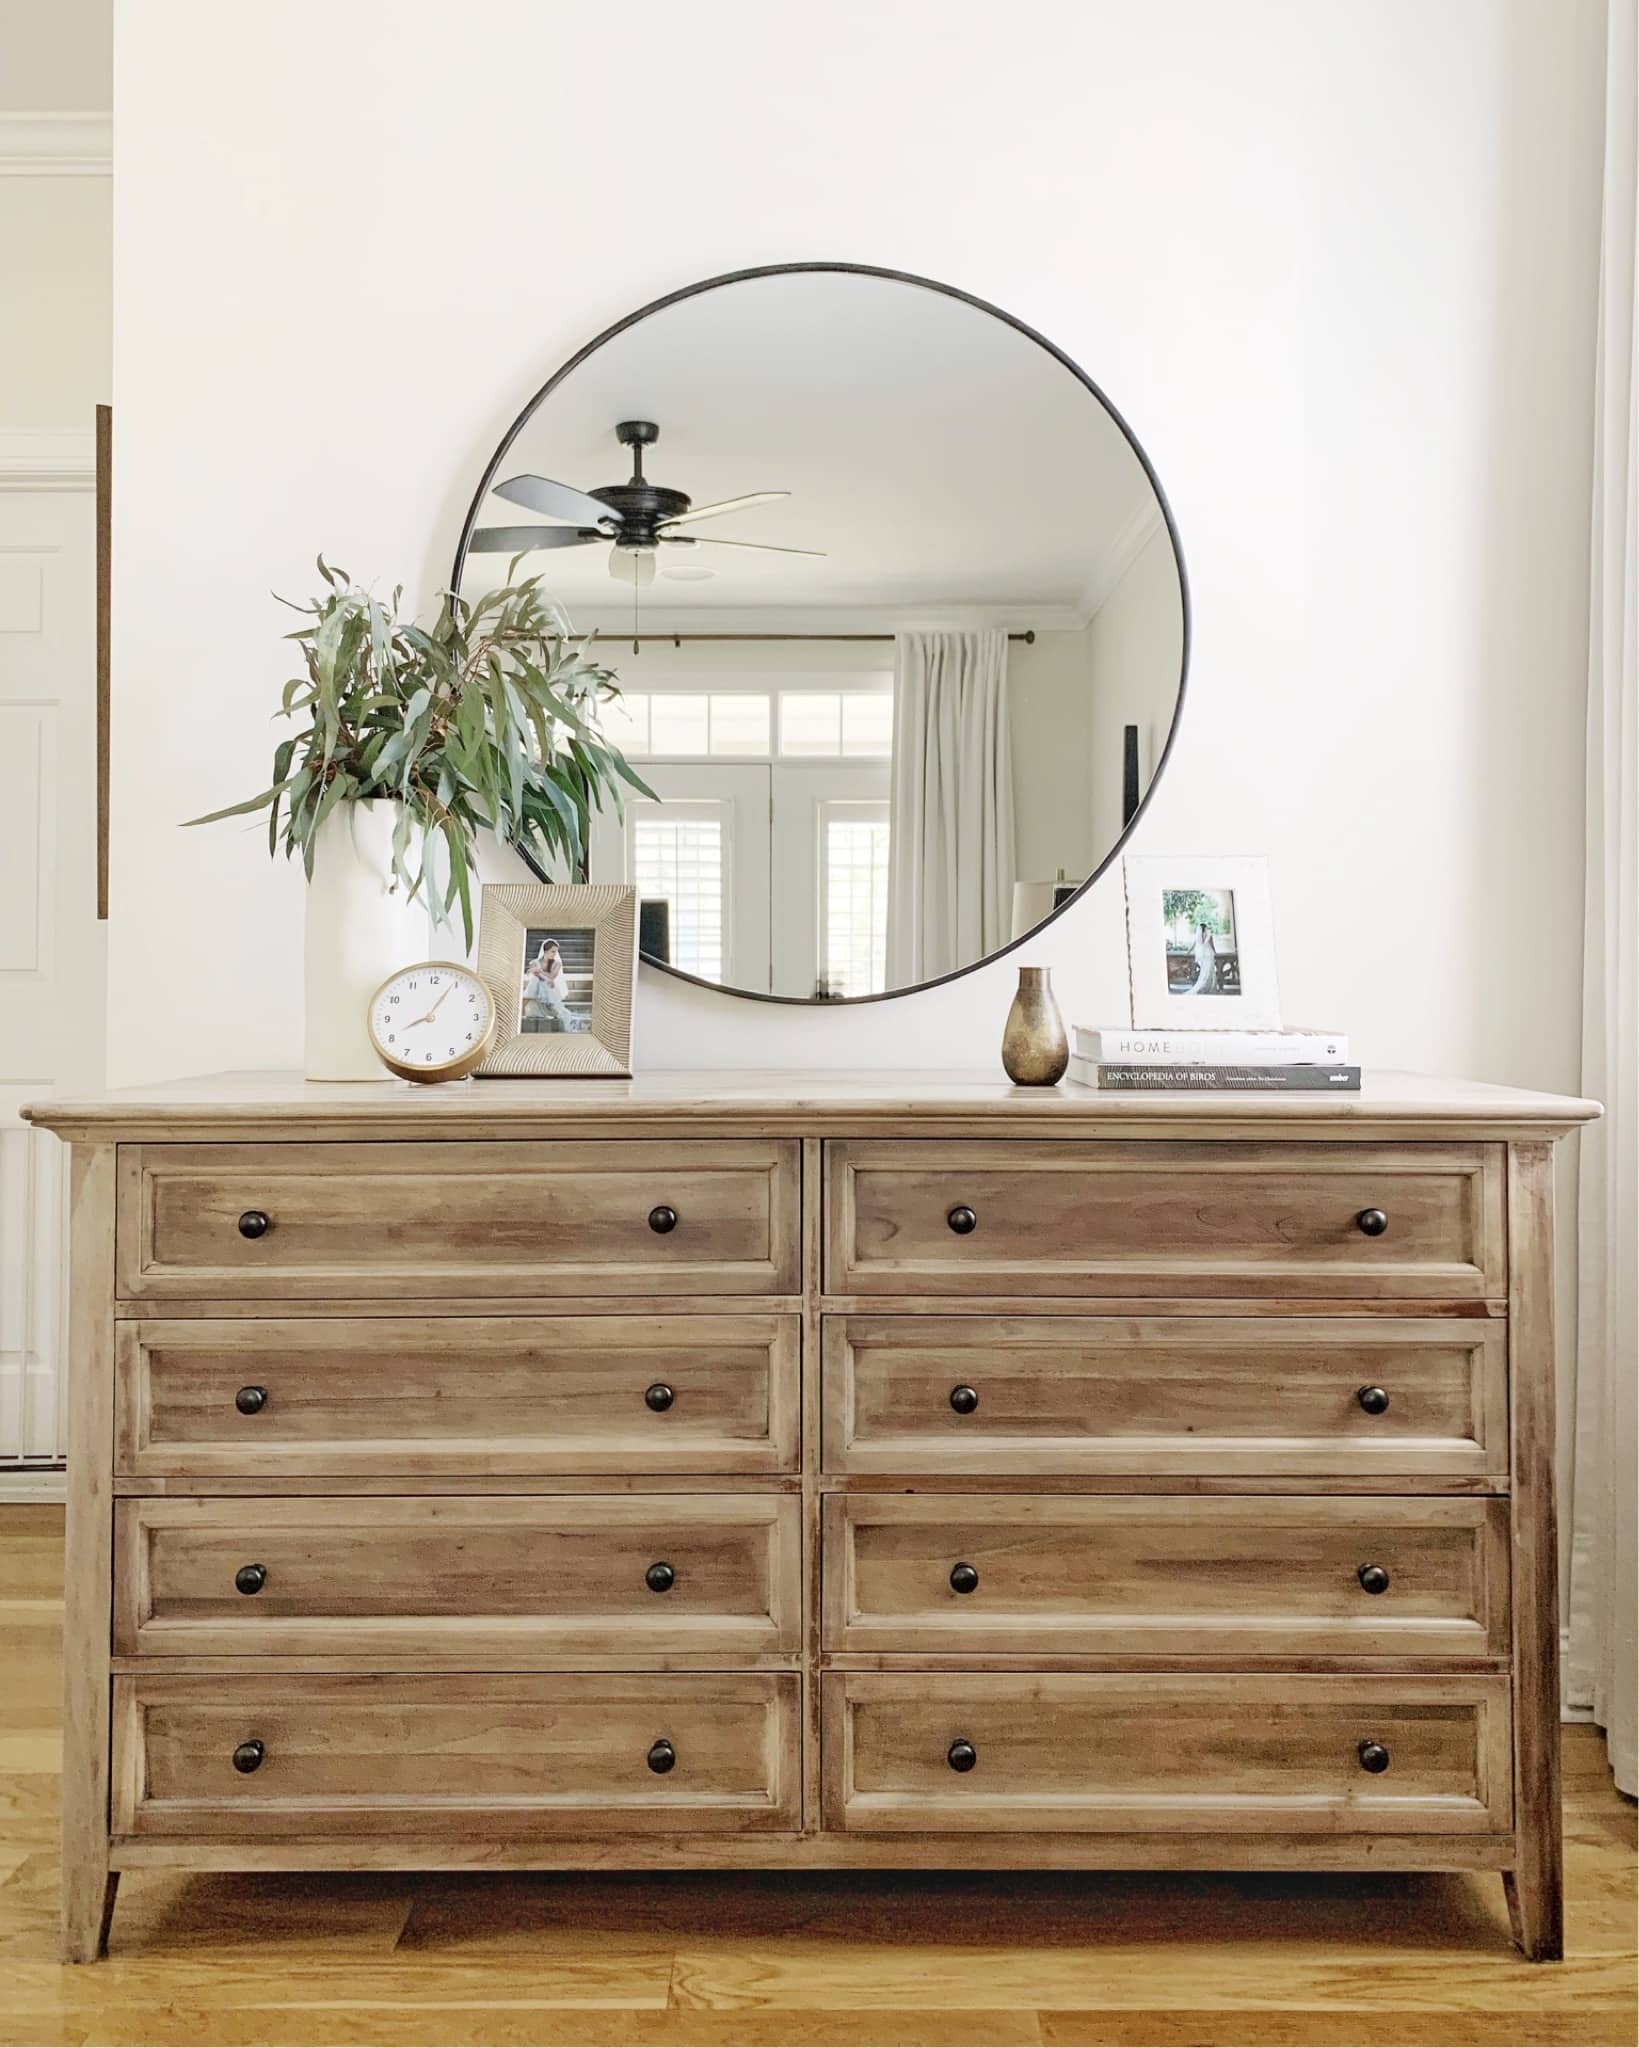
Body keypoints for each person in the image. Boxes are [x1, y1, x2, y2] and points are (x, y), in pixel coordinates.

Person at [522, 939, 574, 1032]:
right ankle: (524, 1007)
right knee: (535, 980)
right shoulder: (535, 962)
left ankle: (528, 1005)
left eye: (556, 951)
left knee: (538, 981)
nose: (555, 954)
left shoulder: (557, 963)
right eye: (552, 951)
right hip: (540, 987)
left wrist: (539, 971)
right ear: (545, 951)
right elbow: (531, 973)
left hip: (550, 989)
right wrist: (541, 975)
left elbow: (552, 976)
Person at [1189, 919, 1218, 994]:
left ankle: (1202, 986)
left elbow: (1193, 945)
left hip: (1204, 955)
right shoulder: (1209, 935)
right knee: (1210, 970)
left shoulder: (1198, 937)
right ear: (1205, 928)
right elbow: (1212, 945)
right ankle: (1209, 986)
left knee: (1204, 970)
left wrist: (1188, 952)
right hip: (1209, 954)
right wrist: (1215, 952)